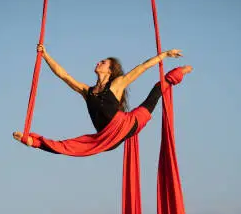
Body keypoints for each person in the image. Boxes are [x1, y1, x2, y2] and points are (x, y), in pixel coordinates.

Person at [13, 44, 192, 150]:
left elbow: (142, 67)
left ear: (110, 70)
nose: (99, 63)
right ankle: (32, 141)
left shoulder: (117, 84)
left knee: (155, 92)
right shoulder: (87, 91)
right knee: (73, 146)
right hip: (105, 138)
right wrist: (45, 55)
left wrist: (165, 54)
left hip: (128, 125)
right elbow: (64, 75)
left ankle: (176, 74)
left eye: (103, 62)